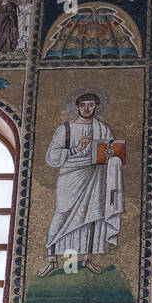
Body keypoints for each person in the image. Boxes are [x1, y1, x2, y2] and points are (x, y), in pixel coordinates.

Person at [37, 93, 123, 277]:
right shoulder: (65, 130)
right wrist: (76, 149)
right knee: (60, 215)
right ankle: (52, 260)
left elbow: (111, 152)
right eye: (83, 105)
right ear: (77, 107)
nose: (86, 109)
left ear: (95, 107)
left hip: (95, 177)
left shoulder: (103, 129)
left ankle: (87, 259)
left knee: (93, 216)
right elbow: (52, 157)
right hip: (70, 177)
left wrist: (113, 157)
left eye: (90, 105)